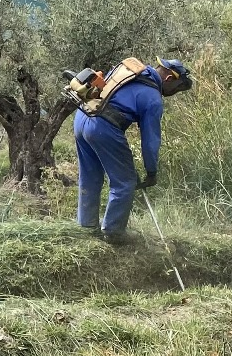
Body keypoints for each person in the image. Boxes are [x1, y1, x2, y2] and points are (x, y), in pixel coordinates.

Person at [73, 59, 192, 245]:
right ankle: (113, 234)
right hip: (102, 127)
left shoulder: (130, 70)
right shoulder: (153, 98)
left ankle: (86, 227)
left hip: (82, 116)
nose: (175, 93)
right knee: (125, 183)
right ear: (169, 78)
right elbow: (150, 141)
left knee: (89, 176)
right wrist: (151, 172)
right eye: (177, 88)